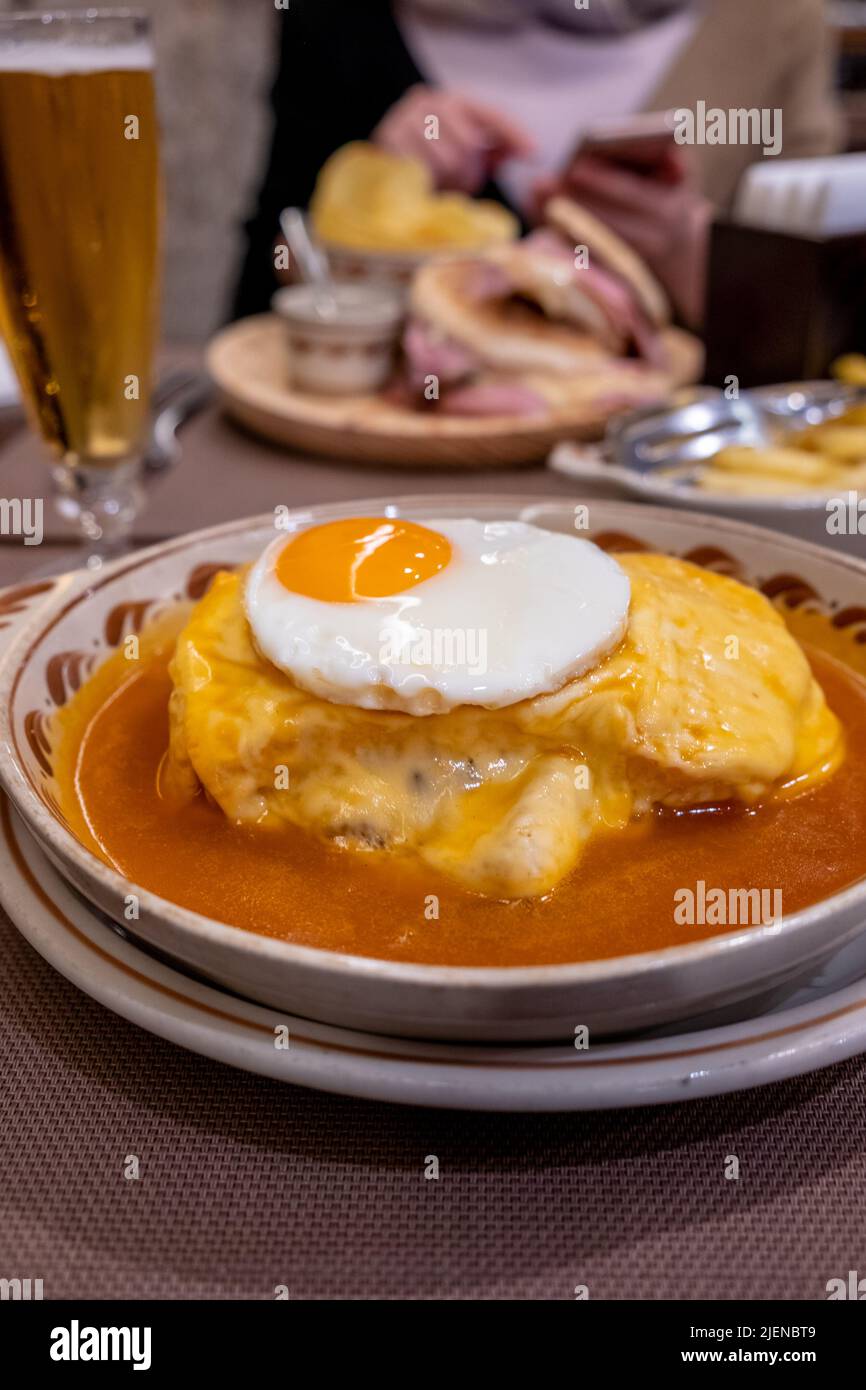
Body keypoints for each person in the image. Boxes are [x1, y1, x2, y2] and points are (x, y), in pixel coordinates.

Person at [232, 0, 841, 328]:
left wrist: (705, 263)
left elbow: (832, 338)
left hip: (664, 491)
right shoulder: (339, 19)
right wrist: (366, 206)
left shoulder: (776, 21)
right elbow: (255, 305)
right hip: (386, 483)